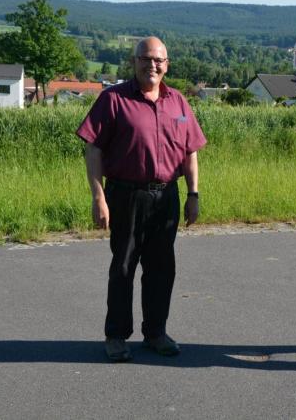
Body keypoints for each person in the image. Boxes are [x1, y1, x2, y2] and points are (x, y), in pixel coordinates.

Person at [76, 36, 207, 362]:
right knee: (123, 267)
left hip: (166, 197)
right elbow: (93, 149)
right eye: (146, 59)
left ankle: (156, 333)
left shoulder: (178, 102)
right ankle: (116, 336)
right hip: (126, 195)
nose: (152, 65)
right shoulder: (114, 99)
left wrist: (193, 194)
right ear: (134, 62)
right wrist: (98, 196)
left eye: (158, 60)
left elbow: (190, 152)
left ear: (167, 65)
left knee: (162, 268)